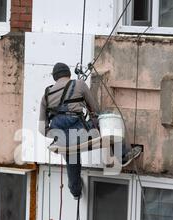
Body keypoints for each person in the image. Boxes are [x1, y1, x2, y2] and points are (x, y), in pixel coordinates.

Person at [39, 62, 142, 199]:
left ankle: (75, 192)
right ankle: (123, 155)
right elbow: (96, 110)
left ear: (55, 78)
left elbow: (41, 128)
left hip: (62, 141)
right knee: (107, 119)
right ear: (68, 74)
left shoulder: (46, 95)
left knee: (72, 160)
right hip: (81, 135)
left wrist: (56, 135)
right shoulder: (79, 84)